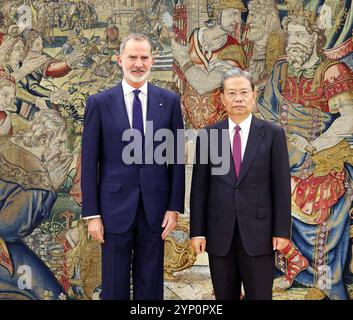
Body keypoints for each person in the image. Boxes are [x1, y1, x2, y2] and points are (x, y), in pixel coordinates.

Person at [81, 33, 185, 300]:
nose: (138, 64)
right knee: (114, 287)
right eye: (132, 57)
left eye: (144, 57)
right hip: (113, 210)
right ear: (120, 60)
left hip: (156, 210)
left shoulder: (170, 101)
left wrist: (174, 207)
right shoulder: (99, 103)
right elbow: (90, 161)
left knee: (150, 287)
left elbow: (176, 159)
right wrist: (92, 214)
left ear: (151, 60)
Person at [257, 13, 353, 300]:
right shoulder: (282, 69)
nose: (294, 42)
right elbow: (266, 111)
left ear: (315, 38)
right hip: (284, 156)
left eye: (300, 35)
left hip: (322, 157)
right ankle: (288, 269)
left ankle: (323, 282)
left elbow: (349, 118)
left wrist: (314, 144)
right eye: (291, 36)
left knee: (322, 205)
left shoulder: (332, 71)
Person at [190, 68, 291, 300]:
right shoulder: (208, 136)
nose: (238, 98)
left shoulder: (273, 134)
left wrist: (281, 231)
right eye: (232, 93)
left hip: (259, 233)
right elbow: (199, 189)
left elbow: (281, 188)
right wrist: (197, 232)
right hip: (219, 234)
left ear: (254, 95)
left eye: (244, 92)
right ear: (222, 98)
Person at [0, 110, 73, 299]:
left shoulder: (6, 143)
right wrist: (51, 189)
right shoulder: (36, 176)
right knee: (52, 294)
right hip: (4, 247)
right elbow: (10, 229)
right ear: (43, 140)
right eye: (59, 143)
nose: (63, 151)